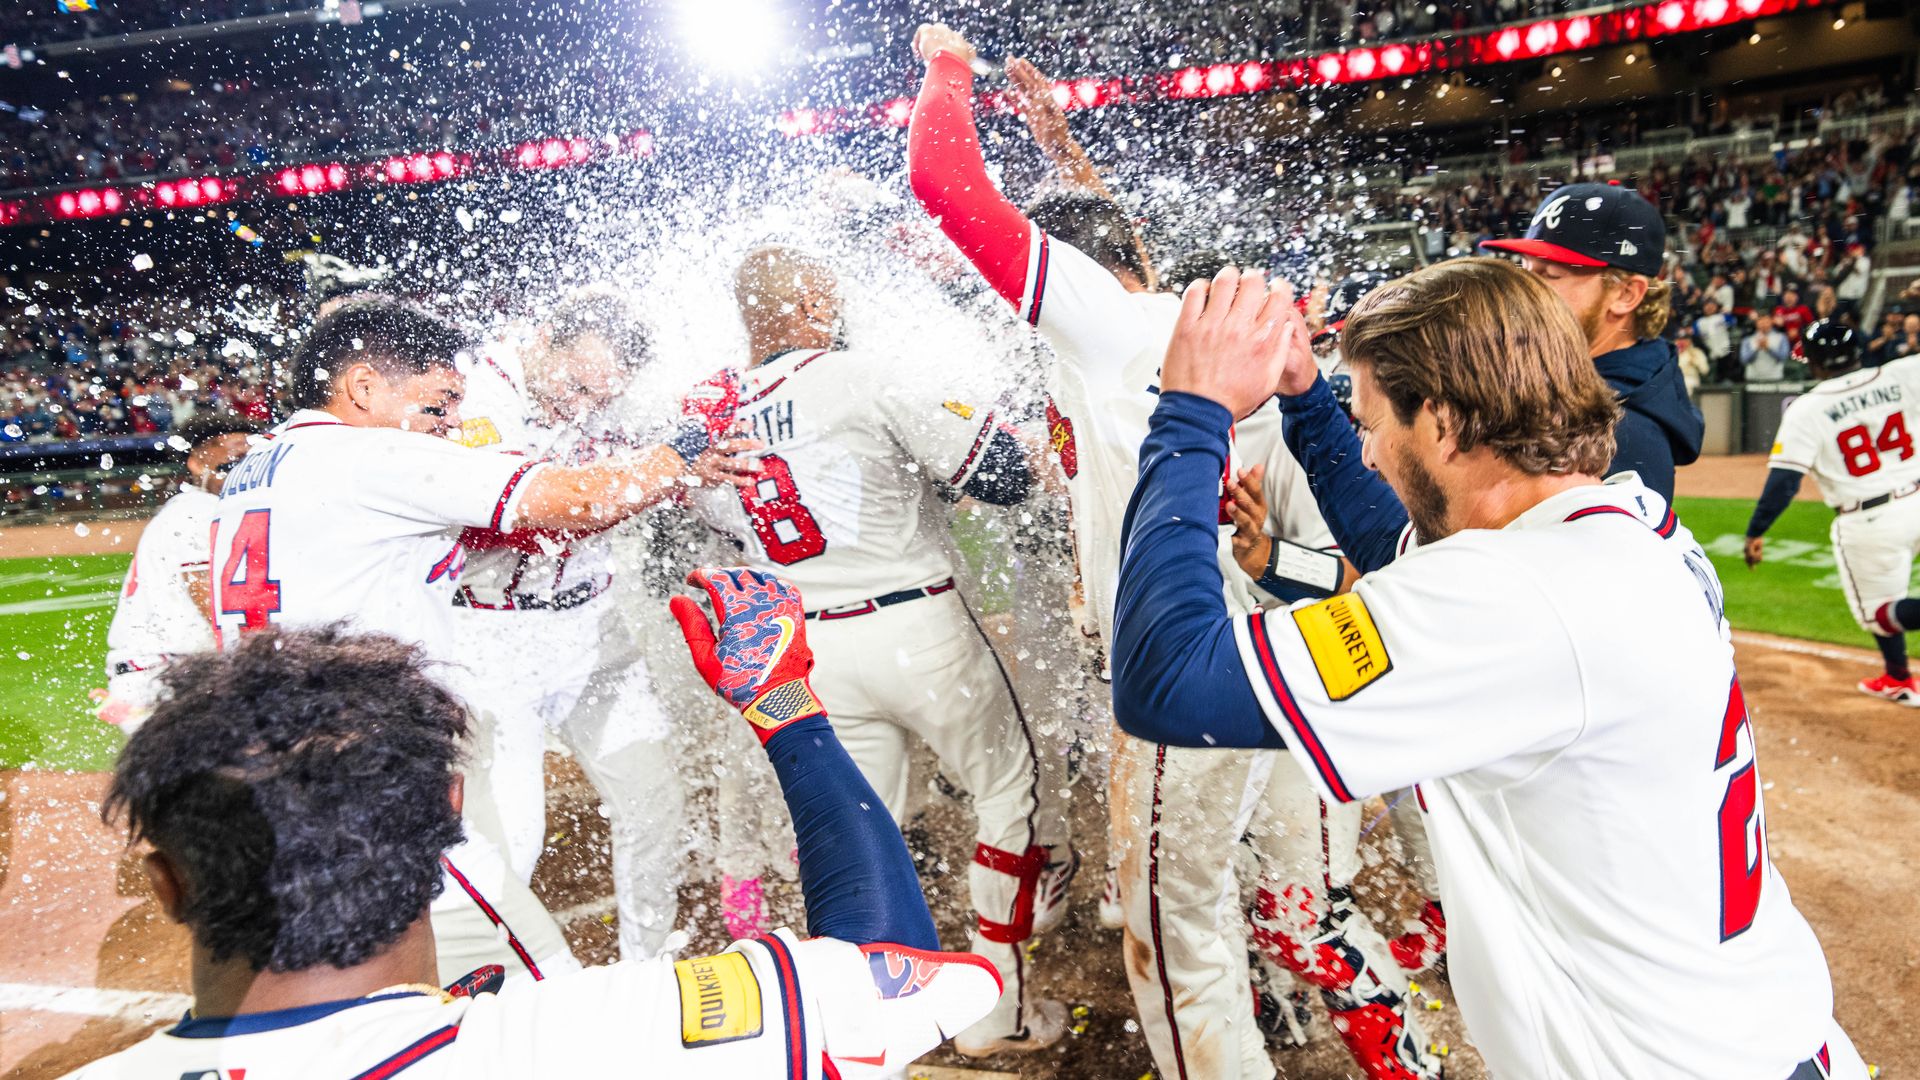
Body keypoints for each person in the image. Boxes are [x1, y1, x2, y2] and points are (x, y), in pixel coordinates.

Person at [1111, 258, 1866, 1079]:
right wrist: (1302, 396)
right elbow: (1389, 547)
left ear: (1442, 421)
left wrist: (1190, 413)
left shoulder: (1515, 597)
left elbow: (1169, 679)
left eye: (1367, 422)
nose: (1364, 454)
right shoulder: (1613, 524)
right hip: (1759, 1039)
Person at [907, 26, 1440, 1080]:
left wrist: (946, 67)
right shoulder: (1185, 325)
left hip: (1187, 670)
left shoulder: (1099, 331)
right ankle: (1409, 1061)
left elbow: (943, 181)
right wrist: (1061, 152)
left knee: (1176, 939)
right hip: (1294, 663)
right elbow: (1116, 257)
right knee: (1296, 915)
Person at [62, 573, 1003, 1078]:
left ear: (166, 883)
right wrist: (786, 709)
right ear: (449, 825)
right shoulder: (582, 1044)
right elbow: (893, 971)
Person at [207, 297, 759, 986]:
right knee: (539, 981)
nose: (452, 426)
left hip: (291, 752)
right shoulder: (375, 455)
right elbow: (573, 500)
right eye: (438, 407)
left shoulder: (263, 461)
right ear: (363, 387)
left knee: (356, 967)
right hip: (366, 765)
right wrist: (680, 449)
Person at [683, 244, 1074, 1056]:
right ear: (811, 303)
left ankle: (863, 1027)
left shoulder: (705, 410)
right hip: (916, 623)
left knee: (864, 828)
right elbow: (1002, 473)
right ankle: (992, 1014)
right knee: (1008, 790)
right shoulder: (860, 372)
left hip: (808, 645)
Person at [447, 289, 688, 964]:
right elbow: (533, 521)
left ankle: (646, 973)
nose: (582, 406)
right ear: (544, 335)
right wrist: (669, 469)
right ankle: (480, 988)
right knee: (509, 841)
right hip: (489, 640)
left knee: (654, 804)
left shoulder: (614, 396)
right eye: (576, 384)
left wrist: (699, 455)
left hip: (593, 628)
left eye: (601, 396)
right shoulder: (473, 389)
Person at [1481, 182, 1704, 501]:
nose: (1525, 291)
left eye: (1550, 275)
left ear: (1626, 294)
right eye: (1527, 272)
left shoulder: (1622, 431)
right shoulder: (1580, 391)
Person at [1746, 319, 1920, 704]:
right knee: (1888, 599)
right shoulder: (1904, 372)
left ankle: (1899, 678)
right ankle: (1897, 678)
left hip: (1871, 520)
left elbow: (1785, 483)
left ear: (1814, 362)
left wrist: (1756, 530)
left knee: (1878, 615)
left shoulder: (1807, 409)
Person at [96, 413, 259, 731]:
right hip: (165, 675)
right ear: (197, 464)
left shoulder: (197, 508)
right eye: (232, 461)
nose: (240, 470)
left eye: (249, 460)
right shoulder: (198, 510)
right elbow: (209, 600)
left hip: (159, 673)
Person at [1742, 312, 1793, 382]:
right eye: (1761, 321)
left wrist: (1768, 348)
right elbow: (1744, 360)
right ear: (1756, 323)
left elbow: (1784, 357)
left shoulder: (1781, 337)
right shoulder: (1748, 339)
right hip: (1753, 378)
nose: (1763, 324)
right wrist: (1756, 348)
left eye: (1766, 321)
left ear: (1771, 322)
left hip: (1774, 378)